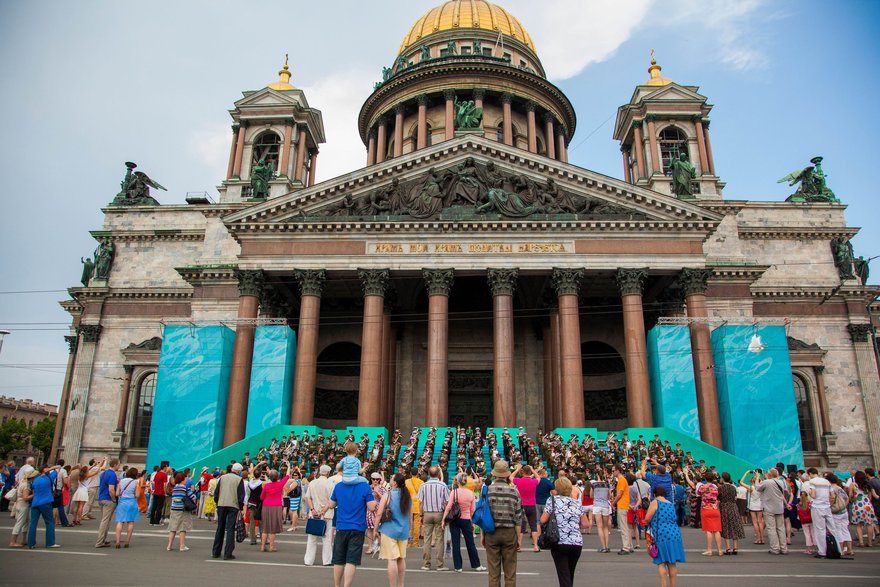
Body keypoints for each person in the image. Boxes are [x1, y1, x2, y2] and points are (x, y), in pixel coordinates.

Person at [324, 462, 377, 587]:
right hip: (357, 527)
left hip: (342, 526)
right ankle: (346, 585)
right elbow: (371, 506)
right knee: (351, 560)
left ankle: (337, 585)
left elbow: (331, 505)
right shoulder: (364, 486)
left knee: (338, 559)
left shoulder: (339, 486)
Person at [541, 476, 589, 587]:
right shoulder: (576, 503)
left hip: (560, 541)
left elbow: (543, 519)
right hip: (576, 542)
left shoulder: (552, 500)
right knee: (569, 574)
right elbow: (586, 524)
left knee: (563, 575)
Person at [485, 460, 522, 587]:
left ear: (495, 474)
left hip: (491, 531)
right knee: (510, 571)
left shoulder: (488, 490)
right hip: (509, 532)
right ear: (507, 474)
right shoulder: (514, 491)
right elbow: (518, 517)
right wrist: (519, 538)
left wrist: (483, 535)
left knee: (493, 572)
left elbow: (484, 514)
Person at [442, 472, 485, 572]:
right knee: (470, 543)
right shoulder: (470, 493)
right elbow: (472, 509)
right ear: (466, 482)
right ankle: (476, 565)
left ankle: (458, 566)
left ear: (458, 481)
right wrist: (471, 522)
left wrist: (444, 519)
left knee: (456, 543)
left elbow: (448, 507)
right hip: (466, 519)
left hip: (455, 519)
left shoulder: (454, 492)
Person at [644, 486, 685, 587]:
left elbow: (647, 518)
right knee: (672, 563)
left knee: (661, 562)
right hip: (675, 534)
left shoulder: (655, 502)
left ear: (654, 494)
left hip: (661, 535)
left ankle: (663, 585)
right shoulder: (670, 504)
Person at [376, 473, 413, 586]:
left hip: (389, 529)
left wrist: (375, 529)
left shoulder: (388, 495)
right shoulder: (407, 495)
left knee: (391, 559)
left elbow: (379, 513)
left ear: (395, 483)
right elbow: (410, 516)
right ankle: (401, 584)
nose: (390, 479)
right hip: (403, 530)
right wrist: (409, 529)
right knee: (401, 558)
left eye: (391, 478)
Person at [416, 465, 449, 571]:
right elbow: (446, 502)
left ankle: (426, 564)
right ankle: (440, 564)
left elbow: (420, 502)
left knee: (427, 539)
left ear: (429, 474)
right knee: (439, 539)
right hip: (439, 513)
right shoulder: (443, 485)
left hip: (427, 513)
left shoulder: (424, 485)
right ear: (438, 474)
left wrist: (421, 514)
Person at [685, 469, 723, 556]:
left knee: (708, 530)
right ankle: (720, 550)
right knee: (717, 530)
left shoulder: (703, 487)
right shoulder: (716, 487)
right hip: (715, 509)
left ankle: (709, 550)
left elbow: (698, 493)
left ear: (705, 478)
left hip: (706, 509)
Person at [211, 463, 245, 560]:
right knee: (230, 529)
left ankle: (216, 551)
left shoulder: (222, 478)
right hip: (233, 505)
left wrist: (217, 501)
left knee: (220, 528)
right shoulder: (239, 480)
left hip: (221, 504)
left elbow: (216, 493)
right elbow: (240, 496)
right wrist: (241, 507)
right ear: (238, 471)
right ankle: (228, 553)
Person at [754, 467, 791, 555]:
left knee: (771, 528)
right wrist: (786, 504)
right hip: (779, 507)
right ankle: (784, 548)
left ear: (770, 475)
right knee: (781, 528)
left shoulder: (767, 482)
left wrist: (757, 477)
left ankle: (775, 548)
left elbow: (757, 487)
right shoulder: (782, 482)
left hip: (769, 508)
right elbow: (783, 494)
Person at [305, 464, 334, 566]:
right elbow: (331, 500)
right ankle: (326, 560)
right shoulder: (330, 483)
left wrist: (312, 509)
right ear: (328, 473)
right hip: (326, 514)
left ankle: (308, 560)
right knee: (327, 538)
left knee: (312, 538)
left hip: (314, 513)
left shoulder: (312, 482)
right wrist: (324, 510)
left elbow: (308, 497)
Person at [28, 464, 63, 549]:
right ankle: (50, 542)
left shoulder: (35, 480)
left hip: (35, 502)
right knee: (49, 522)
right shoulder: (49, 478)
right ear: (45, 470)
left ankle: (31, 543)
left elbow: (32, 489)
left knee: (33, 523)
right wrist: (50, 469)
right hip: (46, 502)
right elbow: (58, 467)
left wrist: (44, 470)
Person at [260, 467, 290, 552]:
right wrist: (288, 467)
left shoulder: (266, 485)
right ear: (277, 477)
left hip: (266, 506)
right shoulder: (280, 484)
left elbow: (261, 497)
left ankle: (262, 546)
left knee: (265, 527)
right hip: (276, 506)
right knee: (272, 528)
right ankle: (271, 546)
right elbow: (287, 476)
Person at [512, 464, 540, 552]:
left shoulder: (518, 481)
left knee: (521, 526)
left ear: (522, 472)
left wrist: (517, 469)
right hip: (531, 505)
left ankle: (519, 545)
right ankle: (535, 545)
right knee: (533, 526)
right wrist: (533, 470)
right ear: (530, 472)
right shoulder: (534, 482)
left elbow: (510, 477)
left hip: (522, 505)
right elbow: (538, 477)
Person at [167, 471, 195, 552]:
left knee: (173, 528)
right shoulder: (185, 488)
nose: (186, 479)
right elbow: (192, 496)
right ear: (182, 479)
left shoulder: (175, 487)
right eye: (185, 478)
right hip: (182, 510)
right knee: (182, 528)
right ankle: (182, 546)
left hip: (174, 509)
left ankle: (169, 545)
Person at [848, 470, 878, 547]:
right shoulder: (868, 485)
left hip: (857, 506)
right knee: (869, 524)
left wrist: (853, 499)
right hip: (868, 505)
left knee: (858, 525)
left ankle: (861, 542)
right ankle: (870, 542)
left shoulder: (853, 485)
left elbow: (850, 496)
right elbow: (870, 497)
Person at [827, 473, 853, 556]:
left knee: (838, 531)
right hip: (844, 511)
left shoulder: (831, 489)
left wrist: (829, 508)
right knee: (845, 530)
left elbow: (831, 499)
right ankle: (850, 549)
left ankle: (840, 550)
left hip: (835, 512)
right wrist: (843, 507)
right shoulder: (840, 488)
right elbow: (847, 498)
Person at [95, 458, 119, 548]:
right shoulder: (112, 475)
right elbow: (111, 489)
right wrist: (114, 499)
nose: (119, 466)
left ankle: (103, 539)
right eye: (118, 464)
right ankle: (100, 541)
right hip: (108, 499)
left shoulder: (104, 473)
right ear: (115, 465)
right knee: (105, 521)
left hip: (101, 498)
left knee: (105, 520)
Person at [718, 472, 744, 555]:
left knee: (726, 527)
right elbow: (735, 498)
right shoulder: (733, 487)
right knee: (734, 526)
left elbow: (719, 499)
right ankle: (735, 548)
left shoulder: (721, 488)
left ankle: (728, 548)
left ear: (723, 478)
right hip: (733, 507)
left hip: (724, 508)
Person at [114, 467, 139, 548]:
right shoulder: (135, 482)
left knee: (120, 521)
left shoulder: (121, 481)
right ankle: (127, 542)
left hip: (122, 502)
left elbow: (117, 493)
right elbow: (137, 495)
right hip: (132, 502)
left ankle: (117, 542)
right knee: (130, 522)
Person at [8, 469, 33, 548]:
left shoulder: (22, 482)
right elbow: (25, 498)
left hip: (19, 503)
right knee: (20, 522)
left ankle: (23, 540)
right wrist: (34, 495)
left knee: (25, 521)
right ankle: (13, 541)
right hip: (23, 504)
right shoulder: (26, 485)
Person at [590, 469, 613, 554]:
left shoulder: (594, 484)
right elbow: (609, 495)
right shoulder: (607, 484)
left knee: (599, 527)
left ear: (597, 475)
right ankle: (607, 546)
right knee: (605, 527)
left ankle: (603, 547)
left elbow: (591, 495)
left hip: (597, 505)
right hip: (605, 505)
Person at [740, 469, 765, 544]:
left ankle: (758, 539)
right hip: (760, 505)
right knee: (760, 522)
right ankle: (762, 539)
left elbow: (741, 482)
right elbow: (765, 480)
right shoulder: (762, 487)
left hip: (753, 506)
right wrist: (761, 474)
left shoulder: (751, 487)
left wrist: (746, 473)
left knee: (755, 522)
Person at [612, 464, 632, 554]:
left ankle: (626, 547)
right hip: (624, 505)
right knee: (626, 527)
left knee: (623, 527)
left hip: (622, 505)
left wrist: (613, 502)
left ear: (618, 470)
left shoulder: (621, 480)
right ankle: (629, 546)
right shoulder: (622, 480)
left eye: (613, 471)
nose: (612, 472)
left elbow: (619, 494)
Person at [366, 472, 387, 554]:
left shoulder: (382, 488)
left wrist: (377, 492)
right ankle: (370, 547)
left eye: (377, 479)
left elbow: (385, 499)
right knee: (370, 529)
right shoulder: (367, 488)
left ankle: (379, 546)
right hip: (369, 510)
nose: (375, 481)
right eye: (373, 479)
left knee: (379, 529)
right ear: (371, 479)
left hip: (379, 510)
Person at [246, 465, 265, 545]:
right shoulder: (262, 483)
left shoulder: (250, 482)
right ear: (260, 475)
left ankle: (252, 540)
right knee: (261, 522)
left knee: (252, 522)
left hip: (251, 502)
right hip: (259, 503)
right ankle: (262, 538)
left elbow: (250, 473)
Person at [405, 468, 424, 547]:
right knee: (416, 524)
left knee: (408, 524)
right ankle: (415, 543)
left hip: (408, 504)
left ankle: (408, 542)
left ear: (410, 473)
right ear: (417, 473)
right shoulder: (421, 482)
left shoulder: (406, 481)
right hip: (417, 505)